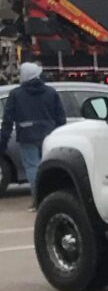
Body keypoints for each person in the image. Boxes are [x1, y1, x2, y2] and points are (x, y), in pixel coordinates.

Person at [1, 62, 66, 202]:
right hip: (49, 135)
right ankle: (51, 196)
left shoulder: (16, 94)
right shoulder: (51, 92)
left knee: (32, 167)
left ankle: (38, 198)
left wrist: (3, 141)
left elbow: (7, 120)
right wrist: (59, 133)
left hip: (27, 136)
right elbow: (60, 117)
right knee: (49, 166)